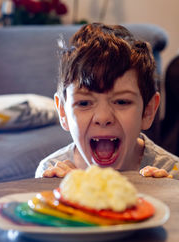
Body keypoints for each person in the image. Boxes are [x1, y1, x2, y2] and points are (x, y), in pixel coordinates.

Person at [35, 23, 179, 179]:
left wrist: (167, 199)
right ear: (63, 112)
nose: (103, 118)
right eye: (84, 103)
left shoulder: (171, 172)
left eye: (122, 102)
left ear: (148, 111)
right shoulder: (51, 172)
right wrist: (62, 197)